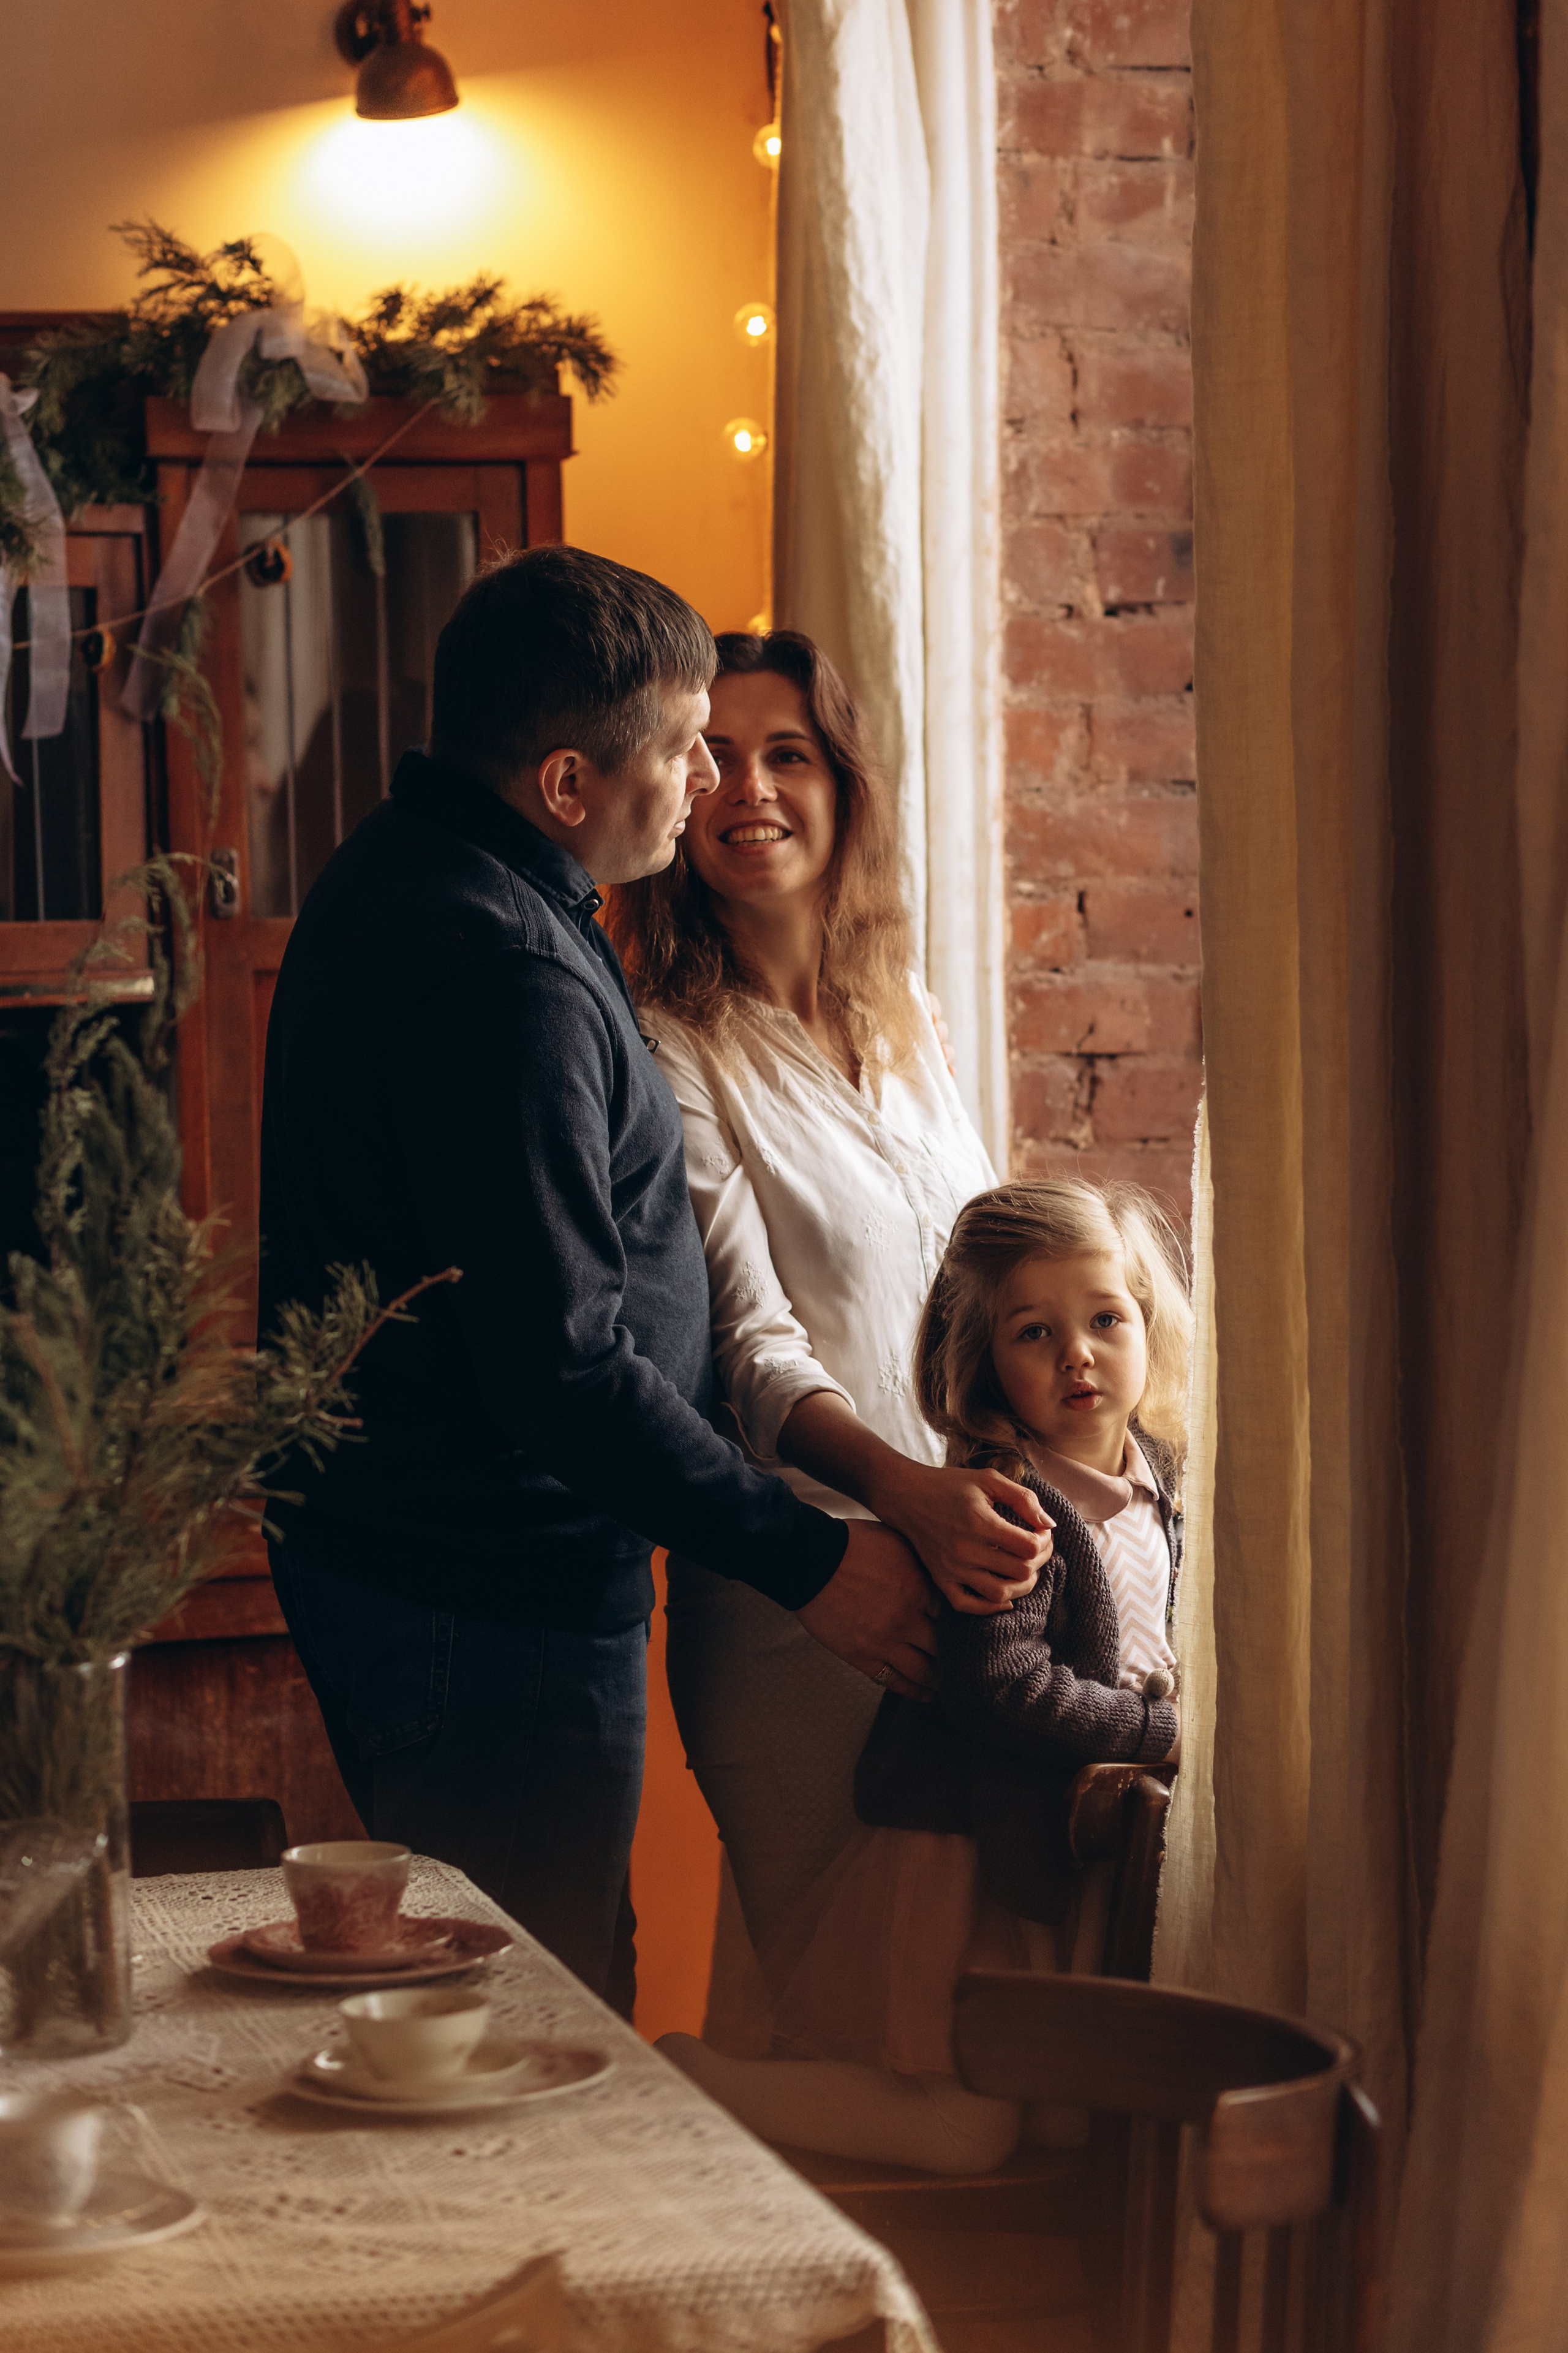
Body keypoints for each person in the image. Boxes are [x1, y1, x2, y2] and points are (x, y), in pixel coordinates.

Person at [257, 548, 935, 2019]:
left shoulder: (429, 872)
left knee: (524, 2004)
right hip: (488, 1596)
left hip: (447, 1572)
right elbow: (559, 1361)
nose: (705, 782)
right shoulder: (502, 966)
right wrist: (811, 1560)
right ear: (568, 781)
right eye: (687, 744)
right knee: (531, 2031)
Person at [607, 630, 1054, 1965]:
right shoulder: (662, 1040)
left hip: (973, 1582)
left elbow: (984, 1276)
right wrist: (901, 1494)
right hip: (802, 1600)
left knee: (939, 2038)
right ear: (678, 798)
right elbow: (744, 1347)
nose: (747, 788)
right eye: (713, 757)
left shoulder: (908, 1011)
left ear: (842, 788)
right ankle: (689, 2095)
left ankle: (716, 2105)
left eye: (785, 755)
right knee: (867, 2033)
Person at [659, 1176, 1189, 2174]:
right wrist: (1155, 1731)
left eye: (1105, 1318)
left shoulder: (1164, 1487)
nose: (1078, 1352)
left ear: (1147, 1324)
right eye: (1034, 1332)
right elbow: (1003, 1686)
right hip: (970, 1856)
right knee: (971, 2123)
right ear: (984, 1360)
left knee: (1065, 2115)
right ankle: (698, 2080)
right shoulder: (1009, 1510)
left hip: (1073, 1839)